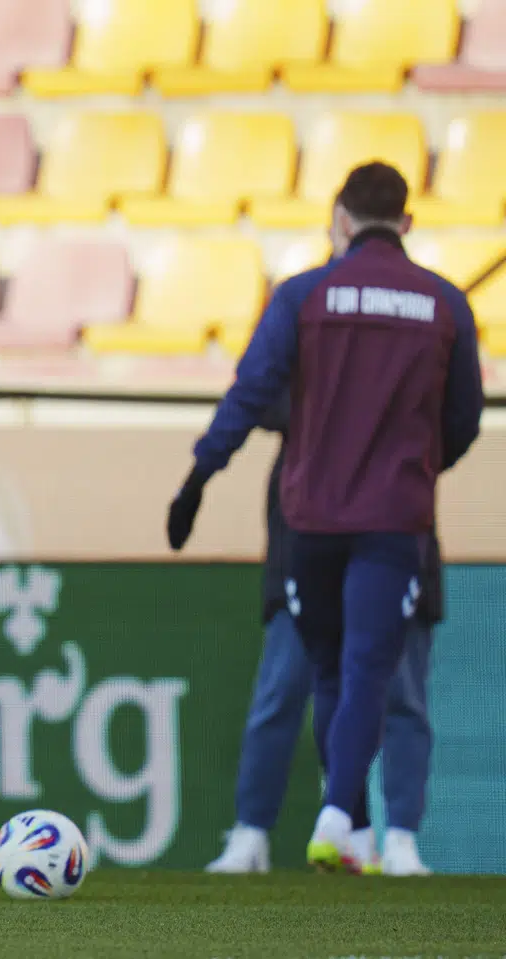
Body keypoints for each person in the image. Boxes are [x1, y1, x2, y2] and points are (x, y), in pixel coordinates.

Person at [167, 161, 483, 873]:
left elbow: (249, 393)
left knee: (328, 670)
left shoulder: (303, 296)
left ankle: (342, 820)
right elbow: (464, 418)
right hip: (393, 518)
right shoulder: (443, 303)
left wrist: (198, 478)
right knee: (371, 667)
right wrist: (414, 465)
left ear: (339, 218)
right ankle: (352, 823)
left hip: (309, 519)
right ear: (406, 221)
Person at [207, 393, 438, 877]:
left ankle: (399, 838)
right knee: (283, 693)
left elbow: (453, 415)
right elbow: (260, 393)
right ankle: (253, 832)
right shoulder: (306, 346)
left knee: (402, 698)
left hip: (396, 541)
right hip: (310, 548)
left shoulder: (414, 347)